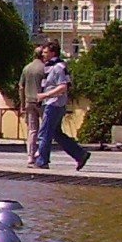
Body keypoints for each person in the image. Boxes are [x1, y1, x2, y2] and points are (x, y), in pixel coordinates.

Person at [33, 40, 90, 171]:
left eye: (46, 52)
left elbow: (63, 87)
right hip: (52, 103)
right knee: (56, 134)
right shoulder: (50, 66)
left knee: (44, 132)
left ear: (53, 53)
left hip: (54, 104)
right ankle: (80, 154)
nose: (43, 54)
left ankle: (42, 160)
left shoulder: (58, 67)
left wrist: (45, 96)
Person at [19, 44, 48, 166]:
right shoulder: (45, 68)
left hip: (29, 101)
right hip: (42, 101)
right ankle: (40, 153)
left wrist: (22, 102)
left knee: (32, 130)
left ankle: (30, 156)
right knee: (45, 129)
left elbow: (21, 86)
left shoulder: (27, 68)